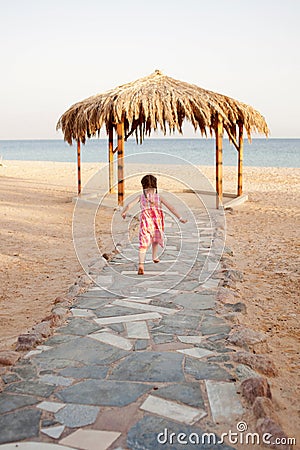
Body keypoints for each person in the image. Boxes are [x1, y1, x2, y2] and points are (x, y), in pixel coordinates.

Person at [121, 174, 187, 275]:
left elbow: (129, 204)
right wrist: (180, 218)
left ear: (143, 186)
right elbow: (171, 207)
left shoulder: (141, 197)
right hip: (156, 224)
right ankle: (154, 256)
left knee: (143, 245)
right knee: (155, 239)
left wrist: (124, 212)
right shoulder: (159, 197)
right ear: (155, 186)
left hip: (145, 224)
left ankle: (141, 265)